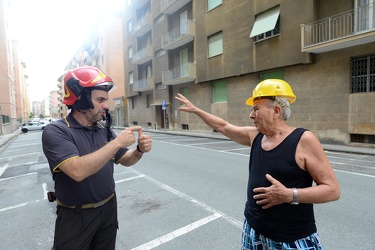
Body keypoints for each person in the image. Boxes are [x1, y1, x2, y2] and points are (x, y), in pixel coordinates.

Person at [175, 79, 340, 250]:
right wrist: (196, 111)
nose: (251, 115)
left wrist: (289, 195)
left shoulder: (303, 140)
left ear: (276, 110)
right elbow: (223, 126)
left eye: (256, 109)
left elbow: (332, 190)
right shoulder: (256, 136)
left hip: (291, 238)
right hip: (253, 229)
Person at [42, 66, 152, 249]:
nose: (106, 106)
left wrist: (139, 150)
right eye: (100, 100)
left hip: (108, 209)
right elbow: (77, 171)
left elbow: (125, 158)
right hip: (75, 217)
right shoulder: (57, 131)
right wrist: (116, 143)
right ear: (82, 99)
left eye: (106, 100)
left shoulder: (103, 130)